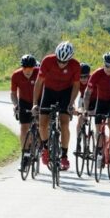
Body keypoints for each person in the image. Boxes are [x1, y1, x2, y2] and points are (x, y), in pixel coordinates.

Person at [33, 41, 81, 171]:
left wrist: (71, 104)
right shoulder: (47, 61)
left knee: (64, 123)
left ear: (70, 59)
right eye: (59, 60)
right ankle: (45, 148)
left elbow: (76, 86)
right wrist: (35, 104)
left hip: (65, 92)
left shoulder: (75, 65)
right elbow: (39, 82)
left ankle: (64, 156)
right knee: (43, 123)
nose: (61, 64)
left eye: (64, 62)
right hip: (49, 91)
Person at [84, 52, 110, 162]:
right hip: (100, 101)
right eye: (107, 66)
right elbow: (87, 93)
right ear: (103, 64)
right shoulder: (97, 74)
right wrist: (86, 110)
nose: (109, 69)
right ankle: (100, 150)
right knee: (98, 127)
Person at [10, 54, 40, 169]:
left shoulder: (39, 72)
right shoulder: (16, 75)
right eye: (25, 68)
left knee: (41, 124)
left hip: (38, 100)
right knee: (24, 128)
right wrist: (16, 105)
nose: (28, 71)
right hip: (24, 101)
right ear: (22, 67)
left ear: (34, 67)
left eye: (30, 68)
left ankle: (39, 143)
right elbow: (13, 94)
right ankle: (25, 155)